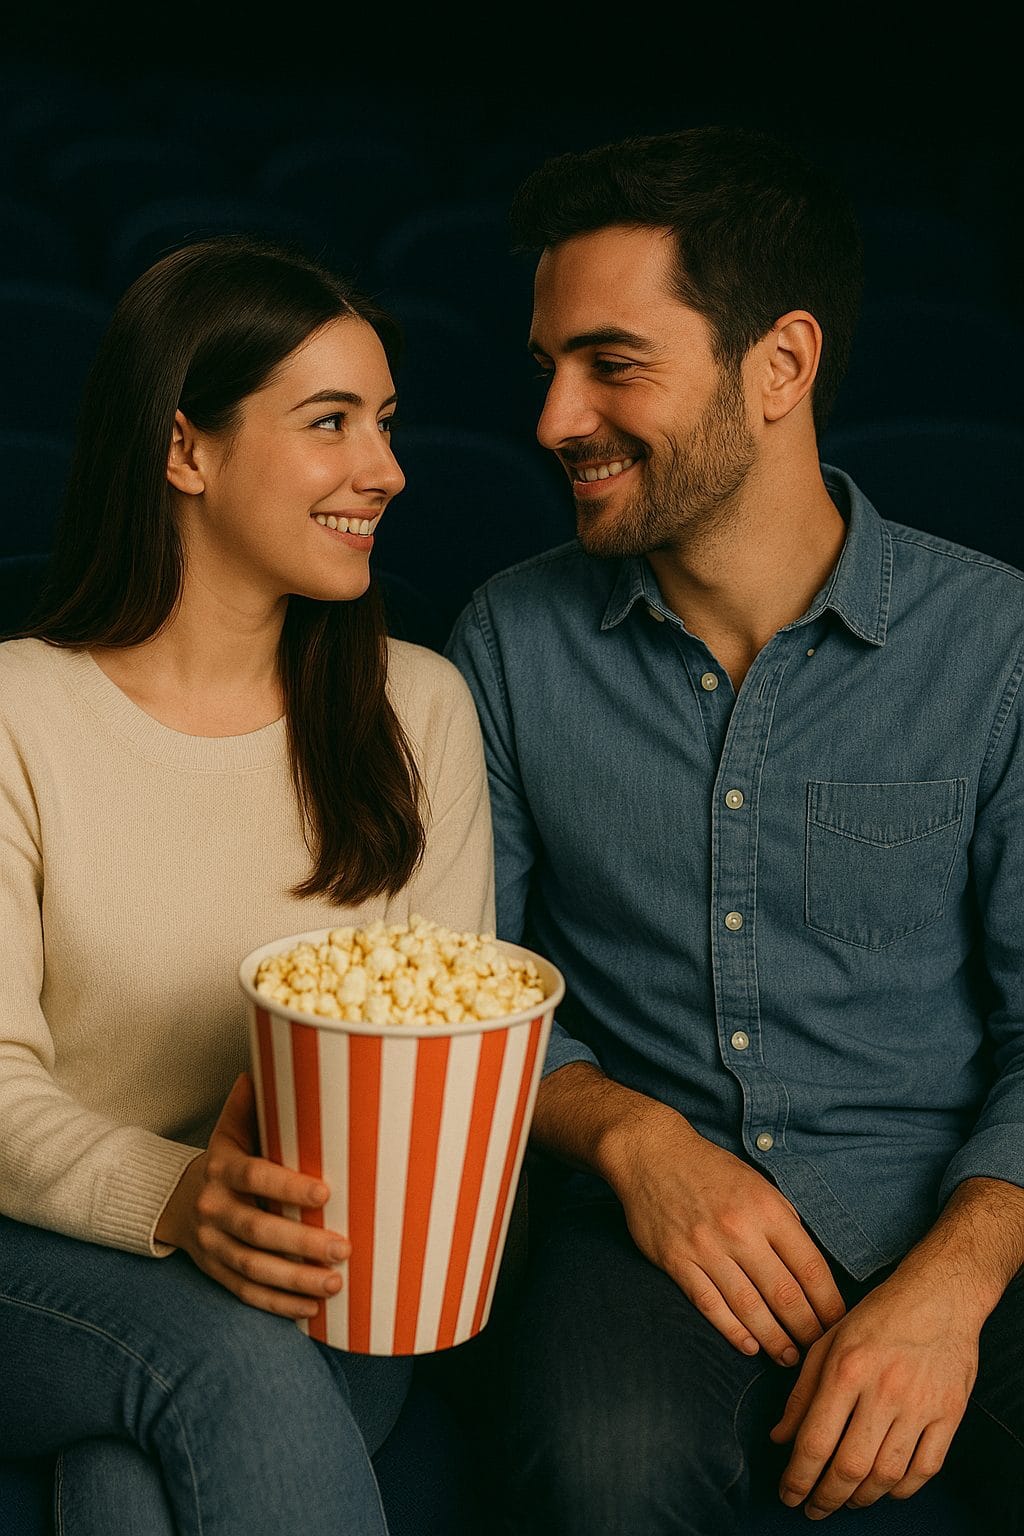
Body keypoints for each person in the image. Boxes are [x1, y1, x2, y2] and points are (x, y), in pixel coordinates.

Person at [445, 126, 1024, 1533]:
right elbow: (462, 997)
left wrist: (955, 1281)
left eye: (613, 364)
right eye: (548, 370)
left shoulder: (997, 644)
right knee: (606, 1466)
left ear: (781, 366)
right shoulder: (509, 643)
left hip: (956, 1198)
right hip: (635, 1220)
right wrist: (634, 1141)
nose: (553, 421)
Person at [0, 235, 494, 1536]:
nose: (383, 469)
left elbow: (435, 1082)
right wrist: (177, 1198)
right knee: (214, 1358)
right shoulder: (15, 713)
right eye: (330, 421)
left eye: (385, 423)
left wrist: (267, 1221)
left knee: (122, 1484)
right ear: (185, 450)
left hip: (328, 1271)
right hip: (36, 1253)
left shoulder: (421, 708)